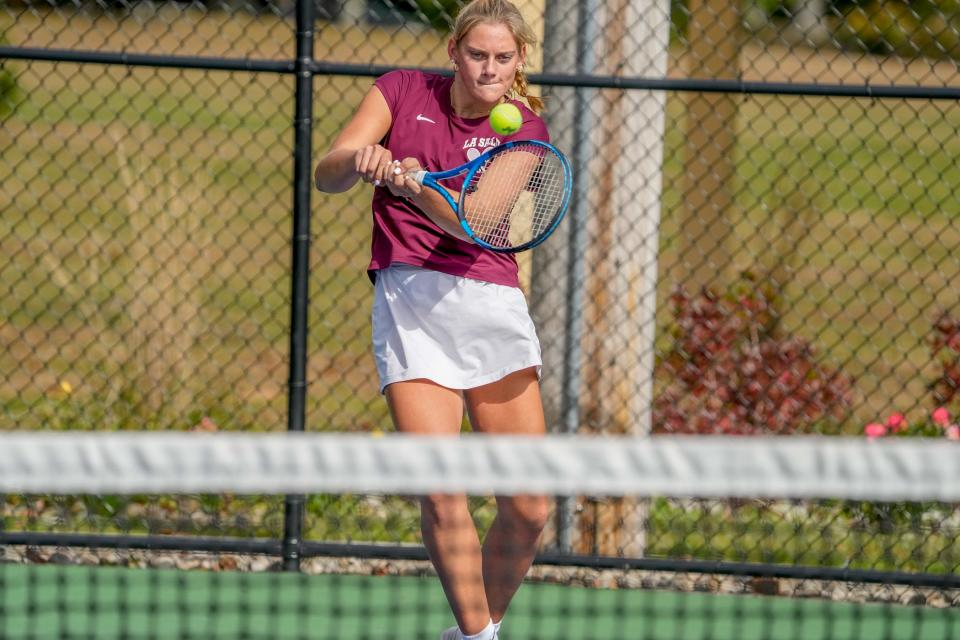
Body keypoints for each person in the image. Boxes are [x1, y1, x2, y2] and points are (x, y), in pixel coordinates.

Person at [313, 2, 550, 638]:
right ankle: (477, 636)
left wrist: (414, 184)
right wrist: (362, 162)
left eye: (503, 58)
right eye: (478, 55)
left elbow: (476, 219)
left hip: (489, 306)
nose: (490, 69)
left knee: (529, 506)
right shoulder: (401, 91)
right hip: (408, 302)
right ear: (454, 52)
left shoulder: (526, 131)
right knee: (443, 493)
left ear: (519, 60)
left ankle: (476, 630)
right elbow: (327, 173)